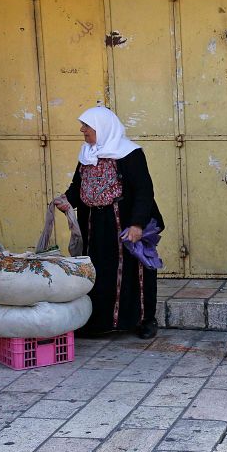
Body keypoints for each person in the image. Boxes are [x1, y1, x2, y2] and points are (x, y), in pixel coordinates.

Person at [54, 106, 164, 339]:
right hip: (94, 224)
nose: (82, 130)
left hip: (123, 223)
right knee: (97, 271)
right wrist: (66, 199)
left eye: (87, 126)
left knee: (133, 272)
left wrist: (137, 225)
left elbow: (144, 191)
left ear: (102, 128)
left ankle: (143, 320)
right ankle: (98, 322)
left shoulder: (130, 153)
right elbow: (78, 185)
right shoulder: (87, 152)